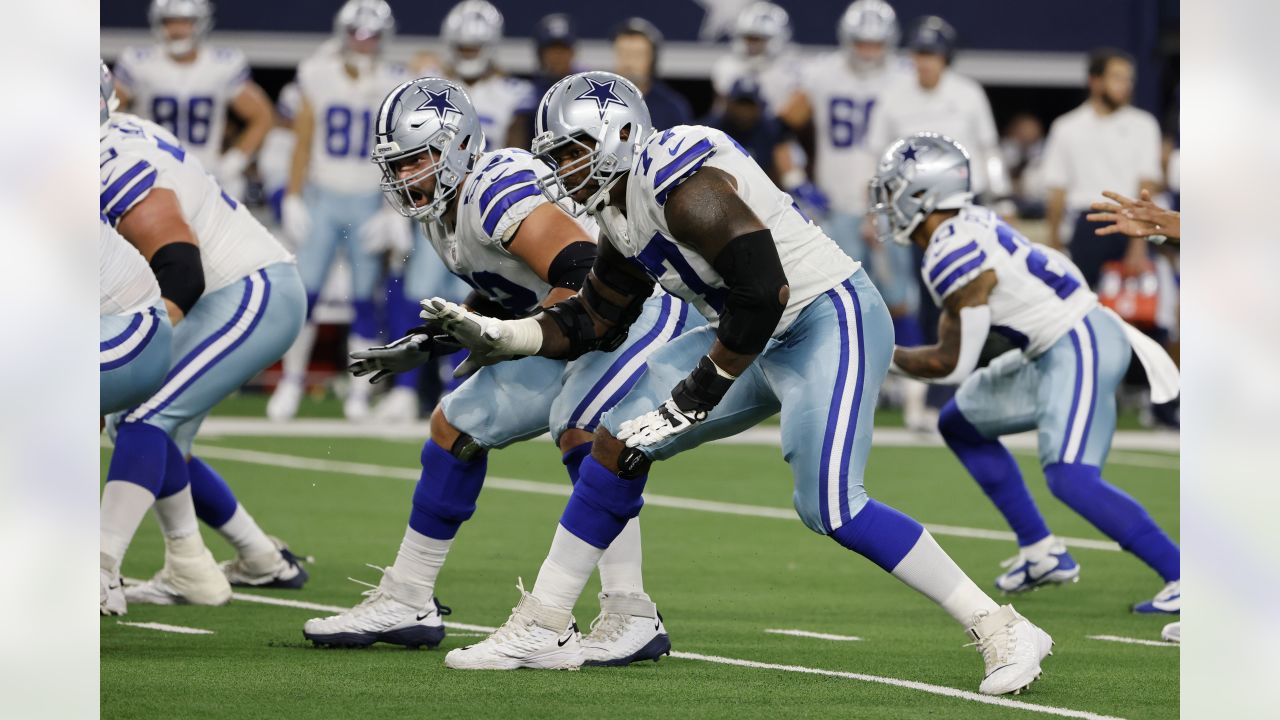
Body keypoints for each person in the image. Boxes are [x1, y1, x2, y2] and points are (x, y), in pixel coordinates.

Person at [421, 72, 1054, 696]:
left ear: (617, 135)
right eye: (552, 155)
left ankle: (1001, 625)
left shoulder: (676, 176)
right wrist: (509, 336)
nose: (560, 170)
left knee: (831, 506)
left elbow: (764, 288)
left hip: (824, 319)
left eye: (570, 152)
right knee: (613, 437)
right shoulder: (620, 210)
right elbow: (596, 318)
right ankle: (546, 623)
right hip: (753, 333)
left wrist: (698, 392)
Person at [301, 78, 692, 666]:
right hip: (567, 321)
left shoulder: (494, 188)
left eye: (419, 160)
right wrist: (430, 340)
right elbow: (513, 293)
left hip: (631, 309)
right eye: (398, 165)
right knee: (454, 427)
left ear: (459, 148)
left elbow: (585, 271)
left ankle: (627, 609)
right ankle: (408, 597)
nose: (407, 177)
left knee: (585, 430)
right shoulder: (444, 209)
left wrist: (517, 335)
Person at [874, 133, 1180, 613]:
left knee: (1070, 477)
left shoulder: (950, 249)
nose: (886, 202)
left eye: (894, 190)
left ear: (923, 195)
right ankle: (1041, 552)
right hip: (1051, 346)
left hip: (1079, 340)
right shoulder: (969, 223)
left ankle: (1182, 574)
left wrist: (881, 353)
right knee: (960, 425)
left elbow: (952, 363)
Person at [100, 62, 308, 614]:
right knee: (142, 424)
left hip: (249, 290)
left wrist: (130, 355)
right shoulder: (119, 134)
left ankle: (98, 567)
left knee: (145, 418)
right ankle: (241, 559)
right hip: (230, 292)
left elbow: (181, 269)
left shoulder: (106, 160)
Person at [779, 0, 928, 428]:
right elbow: (785, 127)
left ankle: (913, 397)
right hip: (837, 201)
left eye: (875, 42)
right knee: (836, 299)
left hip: (888, 204)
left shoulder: (903, 77)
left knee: (899, 298)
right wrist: (795, 175)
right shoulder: (822, 73)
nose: (867, 50)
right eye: (861, 41)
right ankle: (844, 385)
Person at [268, 0, 407, 422]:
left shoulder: (394, 80)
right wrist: (292, 195)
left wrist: (393, 209)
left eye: (372, 36)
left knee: (365, 299)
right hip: (323, 196)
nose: (364, 44)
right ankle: (291, 382)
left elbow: (399, 150)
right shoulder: (317, 74)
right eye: (358, 34)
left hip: (368, 199)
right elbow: (303, 141)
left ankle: (360, 394)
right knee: (306, 293)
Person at [113, 0, 274, 201]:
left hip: (205, 171)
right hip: (152, 173)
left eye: (185, 21)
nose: (177, 30)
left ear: (201, 23)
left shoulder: (222, 64)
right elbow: (106, 111)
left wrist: (233, 162)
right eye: (169, 21)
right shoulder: (138, 62)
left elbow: (262, 116)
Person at [1041, 48, 1163, 287]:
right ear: (1095, 81)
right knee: (1079, 307)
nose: (1126, 85)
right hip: (1083, 228)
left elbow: (1147, 186)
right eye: (1117, 77)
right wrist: (1053, 244)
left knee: (1132, 313)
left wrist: (1138, 243)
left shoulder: (1144, 125)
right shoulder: (1066, 127)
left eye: (1129, 78)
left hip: (1129, 224)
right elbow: (1056, 191)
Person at [439, 1, 537, 151]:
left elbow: (516, 154)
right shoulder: (433, 83)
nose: (467, 54)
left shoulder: (514, 92)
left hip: (493, 173)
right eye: (462, 48)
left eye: (473, 49)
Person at [710, 2, 802, 114]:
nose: (752, 46)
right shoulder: (727, 68)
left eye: (758, 39)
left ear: (777, 40)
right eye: (748, 39)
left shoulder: (790, 71)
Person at [613, 18, 692, 131]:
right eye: (623, 54)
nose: (628, 62)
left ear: (652, 59)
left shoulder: (671, 108)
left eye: (637, 55)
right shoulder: (597, 103)